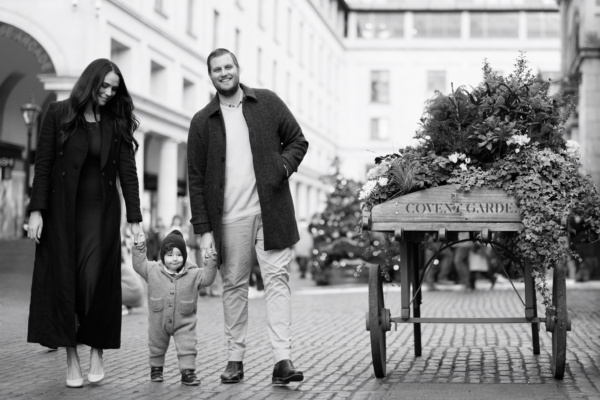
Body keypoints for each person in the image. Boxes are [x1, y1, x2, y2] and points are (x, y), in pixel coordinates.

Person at [187, 48, 309, 385]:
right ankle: (235, 360)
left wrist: (282, 167)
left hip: (271, 211)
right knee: (234, 287)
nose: (224, 73)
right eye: (216, 69)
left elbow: (298, 140)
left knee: (277, 281)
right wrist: (204, 230)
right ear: (210, 76)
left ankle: (283, 359)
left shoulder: (267, 102)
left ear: (237, 69)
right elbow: (195, 179)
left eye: (228, 66)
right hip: (229, 219)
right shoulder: (202, 121)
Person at [26, 58, 143, 388]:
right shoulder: (59, 113)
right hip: (63, 214)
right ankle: (72, 357)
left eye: (114, 88)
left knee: (96, 283)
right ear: (90, 82)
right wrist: (37, 210)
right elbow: (44, 164)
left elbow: (128, 173)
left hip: (102, 215)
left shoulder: (116, 122)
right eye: (103, 86)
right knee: (67, 284)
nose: (108, 93)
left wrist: (135, 218)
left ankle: (97, 351)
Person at [132, 230, 217, 386]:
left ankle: (188, 372)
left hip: (184, 321)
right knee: (156, 344)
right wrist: (139, 246)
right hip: (158, 320)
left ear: (184, 256)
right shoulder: (152, 270)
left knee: (188, 345)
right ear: (163, 255)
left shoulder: (194, 274)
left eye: (179, 254)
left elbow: (208, 278)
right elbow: (138, 264)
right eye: (169, 254)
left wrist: (210, 260)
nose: (174, 259)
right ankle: (156, 369)